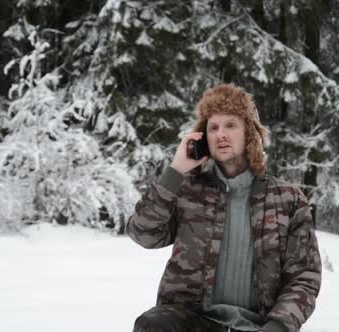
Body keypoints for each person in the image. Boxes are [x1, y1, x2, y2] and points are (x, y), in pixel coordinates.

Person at [126, 84, 322, 332]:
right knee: (151, 325)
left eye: (230, 125)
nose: (221, 134)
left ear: (249, 132)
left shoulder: (288, 199)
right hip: (191, 321)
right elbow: (143, 234)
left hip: (257, 325)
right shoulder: (187, 190)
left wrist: (280, 325)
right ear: (203, 137)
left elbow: (304, 276)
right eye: (213, 127)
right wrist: (175, 171)